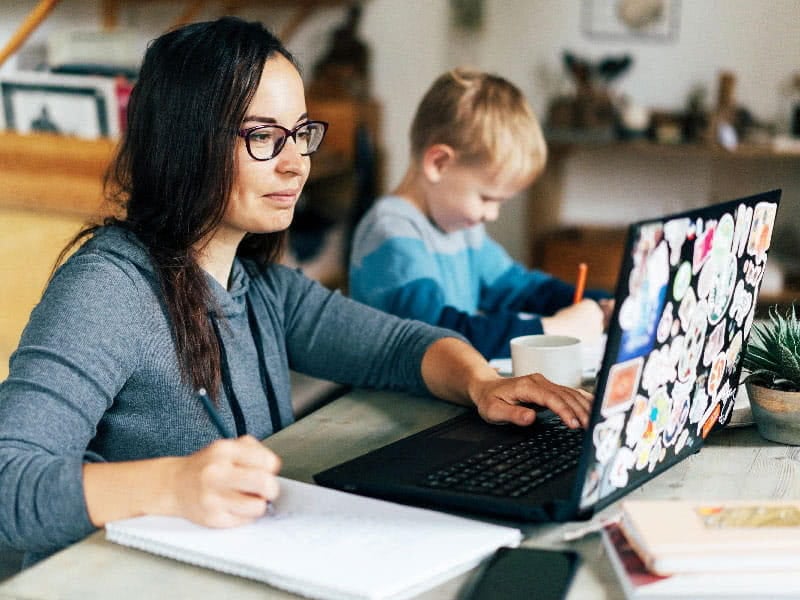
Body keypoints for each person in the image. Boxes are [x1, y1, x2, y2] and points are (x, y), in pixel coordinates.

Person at [0, 18, 592, 566]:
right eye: (264, 137)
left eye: (300, 134)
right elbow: (9, 482)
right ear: (184, 143)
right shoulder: (108, 290)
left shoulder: (260, 288)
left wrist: (482, 383)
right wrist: (172, 485)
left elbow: (399, 346)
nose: (297, 164)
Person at [349, 69, 613, 359]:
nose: (492, 214)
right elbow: (439, 336)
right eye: (487, 198)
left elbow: (519, 289)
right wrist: (550, 330)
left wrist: (600, 304)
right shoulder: (391, 234)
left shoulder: (461, 227)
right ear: (438, 163)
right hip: (389, 399)